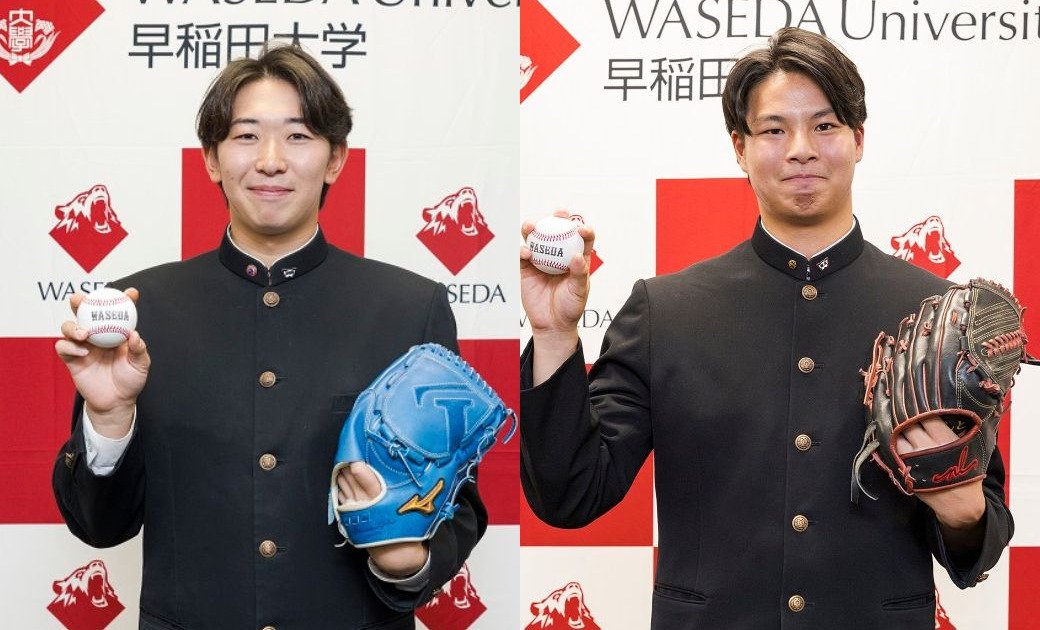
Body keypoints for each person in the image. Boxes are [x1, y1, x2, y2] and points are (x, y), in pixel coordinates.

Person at [519, 27, 1013, 629]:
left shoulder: (938, 313)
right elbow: (571, 494)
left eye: (825, 126)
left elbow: (982, 539)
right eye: (774, 130)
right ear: (740, 147)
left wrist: (963, 510)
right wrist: (553, 336)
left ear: (858, 140)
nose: (801, 149)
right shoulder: (665, 310)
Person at [52, 44, 485, 630]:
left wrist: (406, 559)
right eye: (246, 136)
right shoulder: (138, 312)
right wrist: (108, 420)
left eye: (298, 136)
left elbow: (459, 505)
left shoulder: (409, 309)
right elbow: (100, 527)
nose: (271, 161)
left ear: (335, 159)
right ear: (212, 159)